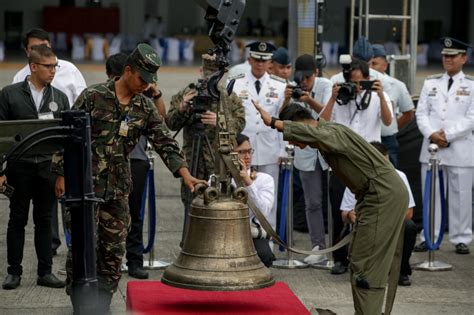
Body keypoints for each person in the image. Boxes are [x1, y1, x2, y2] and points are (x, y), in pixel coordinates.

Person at [53, 43, 206, 312]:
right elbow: (66, 137)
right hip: (84, 191)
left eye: (150, 82)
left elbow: (165, 143)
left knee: (113, 255)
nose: (145, 86)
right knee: (82, 250)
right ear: (127, 71)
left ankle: (102, 305)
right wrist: (61, 175)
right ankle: (81, 305)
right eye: (141, 79)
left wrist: (185, 175)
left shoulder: (144, 107)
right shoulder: (93, 96)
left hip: (117, 191)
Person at [253, 102, 408, 315]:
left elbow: (314, 135)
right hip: (374, 196)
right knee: (362, 258)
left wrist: (273, 123)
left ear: (298, 123)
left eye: (290, 135)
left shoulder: (330, 133)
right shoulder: (330, 132)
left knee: (367, 266)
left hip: (381, 196)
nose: (292, 143)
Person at [12, 28, 87, 256]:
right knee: (42, 208)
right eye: (35, 47)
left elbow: (82, 103)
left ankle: (75, 245)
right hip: (34, 154)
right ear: (28, 52)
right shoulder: (18, 79)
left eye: (45, 44)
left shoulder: (69, 70)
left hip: (63, 147)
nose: (42, 49)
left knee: (70, 198)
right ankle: (50, 247)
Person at [0, 45, 69, 290]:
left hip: (47, 170)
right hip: (19, 168)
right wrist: (0, 171)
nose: (53, 71)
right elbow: (0, 136)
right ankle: (13, 272)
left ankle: (45, 272)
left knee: (44, 220)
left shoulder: (59, 98)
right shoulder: (9, 95)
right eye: (48, 66)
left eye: (55, 66)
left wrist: (61, 175)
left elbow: (65, 141)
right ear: (33, 66)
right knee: (17, 220)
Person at [321, 57, 393, 275]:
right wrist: (333, 98)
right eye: (353, 83)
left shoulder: (379, 95)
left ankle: (369, 258)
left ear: (369, 80)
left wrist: (379, 95)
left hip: (370, 163)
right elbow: (322, 122)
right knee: (338, 210)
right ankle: (340, 259)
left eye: (362, 83)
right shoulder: (339, 94)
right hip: (342, 162)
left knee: (370, 210)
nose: (357, 88)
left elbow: (389, 122)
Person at [166, 53, 245, 244]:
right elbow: (171, 123)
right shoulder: (188, 93)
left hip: (218, 161)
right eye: (206, 75)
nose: (208, 81)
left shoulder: (229, 98)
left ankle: (216, 245)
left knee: (217, 202)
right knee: (190, 202)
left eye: (213, 76)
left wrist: (221, 121)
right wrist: (183, 107)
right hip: (193, 159)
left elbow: (240, 123)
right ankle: (188, 243)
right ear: (200, 71)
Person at [105, 52, 166, 279]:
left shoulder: (142, 97)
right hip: (107, 164)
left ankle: (134, 260)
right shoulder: (101, 96)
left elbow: (162, 121)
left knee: (134, 213)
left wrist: (156, 94)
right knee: (105, 212)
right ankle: (108, 259)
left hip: (136, 160)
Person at [415, 37, 474, 255]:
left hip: (459, 148)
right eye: (445, 56)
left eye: (452, 56)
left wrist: (447, 135)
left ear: (464, 58)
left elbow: (471, 118)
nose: (447, 59)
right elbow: (421, 113)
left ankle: (461, 237)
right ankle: (430, 235)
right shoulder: (430, 82)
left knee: (461, 194)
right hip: (433, 148)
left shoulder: (471, 85)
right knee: (431, 195)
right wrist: (432, 134)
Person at [340, 141, 417, 286]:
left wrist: (386, 219)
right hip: (365, 225)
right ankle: (362, 268)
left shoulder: (399, 176)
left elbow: (409, 213)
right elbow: (344, 214)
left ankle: (401, 270)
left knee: (409, 226)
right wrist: (351, 215)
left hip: (390, 224)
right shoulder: (355, 177)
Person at [232, 41, 287, 231]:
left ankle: (268, 241)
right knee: (241, 194)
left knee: (267, 197)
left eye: (264, 61)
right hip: (243, 149)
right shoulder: (237, 83)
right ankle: (243, 238)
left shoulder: (279, 85)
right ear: (249, 59)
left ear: (270, 62)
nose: (260, 64)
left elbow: (282, 119)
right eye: (256, 59)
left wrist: (283, 149)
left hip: (269, 148)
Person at [288, 54, 333, 264]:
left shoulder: (326, 84)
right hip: (305, 152)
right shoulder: (292, 86)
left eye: (307, 77)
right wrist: (288, 98)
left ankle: (340, 249)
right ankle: (318, 247)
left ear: (316, 73)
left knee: (336, 202)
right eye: (300, 78)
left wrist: (309, 100)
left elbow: (326, 116)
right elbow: (286, 117)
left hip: (328, 149)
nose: (303, 82)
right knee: (312, 202)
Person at [233, 133, 275, 267]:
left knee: (265, 258)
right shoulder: (218, 180)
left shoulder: (264, 179)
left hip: (252, 233)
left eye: (249, 151)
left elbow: (262, 212)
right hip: (226, 233)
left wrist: (248, 182)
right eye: (241, 152)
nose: (247, 156)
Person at [369, 44, 415, 167]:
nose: (370, 68)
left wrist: (393, 128)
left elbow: (408, 113)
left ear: (385, 65)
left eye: (374, 64)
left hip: (386, 140)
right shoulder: (358, 84)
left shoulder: (397, 85)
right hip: (365, 138)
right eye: (368, 64)